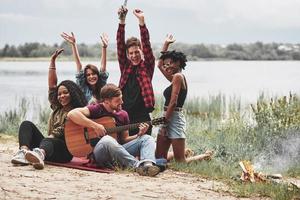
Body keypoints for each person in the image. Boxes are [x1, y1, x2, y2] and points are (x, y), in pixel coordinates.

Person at [11, 49, 87, 169]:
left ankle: (39, 154)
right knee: (26, 124)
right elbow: (52, 86)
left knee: (50, 141)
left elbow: (63, 130)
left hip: (64, 152)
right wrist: (52, 61)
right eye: (59, 94)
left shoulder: (79, 111)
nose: (61, 96)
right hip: (46, 146)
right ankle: (23, 153)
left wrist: (50, 138)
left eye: (65, 93)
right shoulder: (58, 108)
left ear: (72, 93)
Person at [67, 83, 161, 177]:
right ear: (107, 101)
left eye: (121, 98)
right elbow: (72, 113)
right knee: (107, 139)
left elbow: (124, 139)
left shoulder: (123, 114)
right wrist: (95, 126)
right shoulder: (96, 109)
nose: (122, 102)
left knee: (147, 138)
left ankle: (148, 165)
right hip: (100, 153)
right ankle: (137, 166)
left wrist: (138, 135)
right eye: (118, 100)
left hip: (118, 151)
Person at [155, 35, 213, 163]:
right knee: (159, 158)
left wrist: (165, 124)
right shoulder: (174, 77)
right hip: (166, 115)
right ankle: (186, 152)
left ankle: (205, 156)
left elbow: (173, 102)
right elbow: (159, 65)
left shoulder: (178, 77)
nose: (167, 66)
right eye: (166, 64)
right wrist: (166, 44)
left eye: (169, 63)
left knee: (180, 161)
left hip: (174, 117)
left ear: (178, 63)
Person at [116, 7, 155, 136]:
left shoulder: (147, 66)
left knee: (144, 148)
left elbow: (147, 44)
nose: (134, 55)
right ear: (128, 55)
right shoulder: (125, 67)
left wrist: (141, 22)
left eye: (137, 52)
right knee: (125, 149)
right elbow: (120, 44)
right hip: (124, 115)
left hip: (142, 116)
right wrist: (122, 20)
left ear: (141, 52)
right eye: (131, 53)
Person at [61, 32, 109, 104]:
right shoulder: (83, 87)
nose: (91, 76)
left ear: (98, 75)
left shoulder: (102, 85)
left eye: (93, 74)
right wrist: (73, 45)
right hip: (85, 114)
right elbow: (79, 66)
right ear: (85, 77)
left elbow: (103, 67)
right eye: (88, 75)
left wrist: (104, 47)